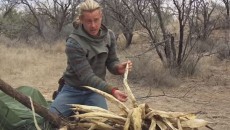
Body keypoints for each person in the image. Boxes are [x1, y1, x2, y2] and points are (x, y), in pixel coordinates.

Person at [49, 0, 132, 117]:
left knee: (103, 122)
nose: (93, 25)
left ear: (101, 17)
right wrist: (112, 91)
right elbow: (87, 77)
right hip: (72, 89)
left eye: (96, 20)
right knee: (50, 120)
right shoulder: (73, 42)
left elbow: (112, 61)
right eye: (88, 21)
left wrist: (118, 68)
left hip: (95, 91)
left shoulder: (110, 36)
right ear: (82, 20)